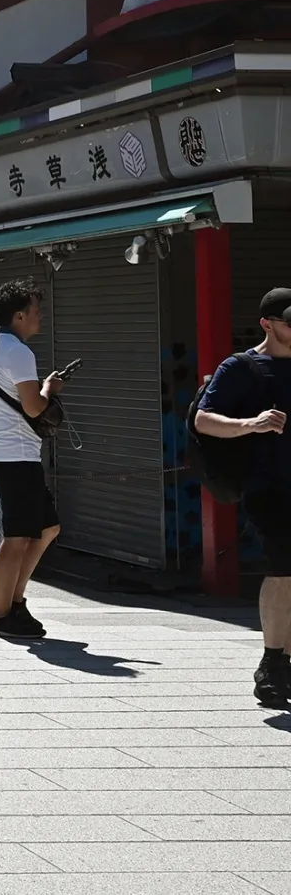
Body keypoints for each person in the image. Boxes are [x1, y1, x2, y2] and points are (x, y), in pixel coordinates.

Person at [192, 287, 291, 706]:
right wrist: (252, 424)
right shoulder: (242, 367)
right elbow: (203, 420)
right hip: (268, 486)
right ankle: (272, 662)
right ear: (267, 324)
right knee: (284, 569)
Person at [0, 279, 64, 641]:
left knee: (46, 528)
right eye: (36, 311)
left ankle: (13, 602)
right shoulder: (17, 352)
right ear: (19, 316)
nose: (40, 317)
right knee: (17, 536)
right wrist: (49, 389)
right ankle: (1, 612)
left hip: (6, 452)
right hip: (17, 454)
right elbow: (33, 406)